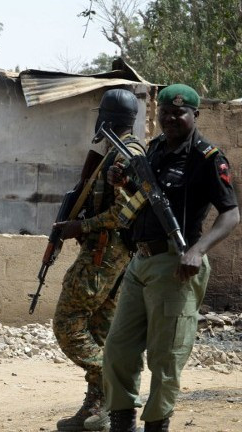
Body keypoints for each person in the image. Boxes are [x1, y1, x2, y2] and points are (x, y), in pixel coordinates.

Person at [104, 84, 239, 432]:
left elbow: (231, 214)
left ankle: (156, 426)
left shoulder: (208, 158)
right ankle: (121, 422)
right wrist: (121, 181)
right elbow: (142, 196)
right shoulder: (155, 149)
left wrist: (197, 250)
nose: (171, 118)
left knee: (165, 360)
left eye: (180, 112)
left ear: (196, 115)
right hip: (141, 262)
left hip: (177, 264)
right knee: (118, 349)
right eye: (166, 111)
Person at [52, 89, 145, 431]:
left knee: (67, 323)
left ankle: (114, 382)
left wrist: (82, 225)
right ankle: (97, 409)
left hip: (106, 253)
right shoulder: (121, 150)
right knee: (99, 330)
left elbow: (124, 212)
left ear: (107, 117)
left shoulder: (124, 155)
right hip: (116, 255)